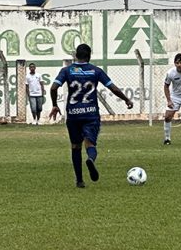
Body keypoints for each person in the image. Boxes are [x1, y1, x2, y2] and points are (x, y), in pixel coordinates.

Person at [49, 43, 134, 188]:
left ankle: (79, 180)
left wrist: (55, 104)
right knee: (90, 143)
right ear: (89, 56)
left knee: (75, 146)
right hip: (90, 114)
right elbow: (112, 87)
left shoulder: (67, 70)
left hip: (73, 114)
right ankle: (90, 159)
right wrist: (126, 99)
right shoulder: (96, 71)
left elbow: (54, 87)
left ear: (76, 55)